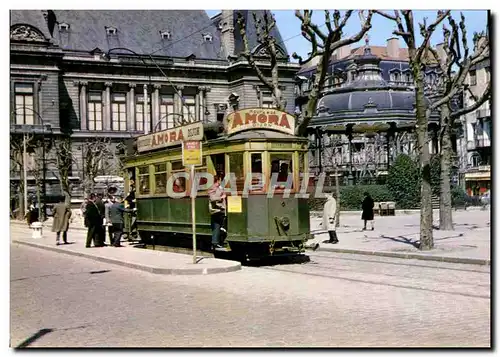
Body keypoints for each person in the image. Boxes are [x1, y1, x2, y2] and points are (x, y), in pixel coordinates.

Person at [208, 174, 226, 250]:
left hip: (220, 210)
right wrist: (221, 197)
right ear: (218, 180)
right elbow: (212, 198)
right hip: (216, 210)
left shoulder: (219, 187)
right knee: (217, 226)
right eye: (220, 179)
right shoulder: (213, 187)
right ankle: (215, 243)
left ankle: (217, 242)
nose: (221, 181)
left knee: (218, 226)